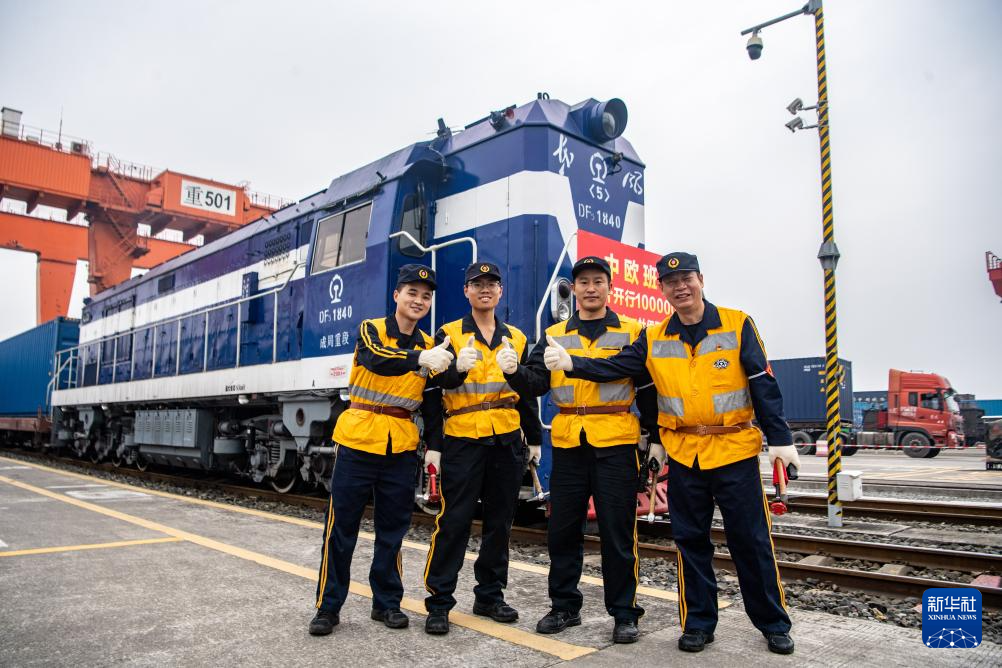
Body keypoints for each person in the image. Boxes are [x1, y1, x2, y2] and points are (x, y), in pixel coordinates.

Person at [544, 252, 800, 655]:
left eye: (686, 279)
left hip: (733, 450)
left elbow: (761, 382)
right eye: (670, 282)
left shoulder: (737, 324)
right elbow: (619, 368)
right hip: (684, 453)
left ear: (701, 280)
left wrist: (780, 439)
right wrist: (572, 363)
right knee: (690, 542)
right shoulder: (655, 336)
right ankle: (698, 623)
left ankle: (773, 623)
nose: (680, 287)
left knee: (750, 541)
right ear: (661, 289)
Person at [507, 255, 659, 644]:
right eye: (583, 282)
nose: (591, 288)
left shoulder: (632, 331)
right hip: (569, 443)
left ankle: (624, 612)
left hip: (616, 442)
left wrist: (655, 437)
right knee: (562, 531)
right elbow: (537, 383)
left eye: (598, 281)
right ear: (573, 289)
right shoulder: (554, 333)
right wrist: (513, 372)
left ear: (610, 287)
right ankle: (564, 607)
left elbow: (645, 388)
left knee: (617, 533)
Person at [309, 264, 454, 636]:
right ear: (396, 295)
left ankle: (387, 604)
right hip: (358, 440)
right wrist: (420, 359)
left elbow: (432, 403)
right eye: (412, 293)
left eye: (425, 296)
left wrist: (435, 447)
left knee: (393, 530)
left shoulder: (430, 345)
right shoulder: (371, 329)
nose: (418, 300)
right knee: (341, 530)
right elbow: (376, 358)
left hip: (401, 447)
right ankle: (328, 607)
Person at [422, 261, 542, 635]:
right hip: (463, 438)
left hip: (506, 439)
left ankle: (489, 597)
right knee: (454, 521)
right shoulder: (449, 334)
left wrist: (535, 436)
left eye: (491, 284)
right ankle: (439, 602)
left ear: (500, 291)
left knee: (499, 523)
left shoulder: (516, 338)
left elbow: (527, 391)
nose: (485, 289)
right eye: (477, 284)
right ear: (466, 291)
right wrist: (434, 445)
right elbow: (433, 390)